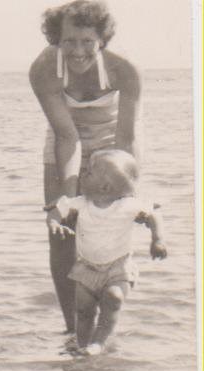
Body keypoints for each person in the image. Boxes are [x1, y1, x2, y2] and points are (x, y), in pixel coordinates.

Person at [29, 0, 142, 334]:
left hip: (112, 140)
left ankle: (107, 328)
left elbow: (127, 136)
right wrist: (65, 201)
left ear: (102, 40)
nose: (78, 51)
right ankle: (72, 328)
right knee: (61, 232)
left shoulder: (125, 70)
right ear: (56, 40)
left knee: (111, 225)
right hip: (65, 140)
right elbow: (68, 138)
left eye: (87, 42)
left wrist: (128, 193)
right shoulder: (43, 70)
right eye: (69, 42)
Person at [46, 149, 167, 355]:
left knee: (114, 297)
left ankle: (99, 342)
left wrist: (158, 239)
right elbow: (57, 210)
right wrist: (54, 223)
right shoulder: (81, 203)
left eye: (89, 173)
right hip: (86, 267)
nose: (83, 174)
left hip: (118, 267)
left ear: (104, 187)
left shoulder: (127, 205)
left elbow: (154, 214)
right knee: (83, 310)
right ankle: (83, 347)